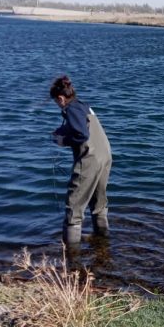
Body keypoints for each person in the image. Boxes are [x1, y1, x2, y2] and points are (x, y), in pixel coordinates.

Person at [50, 75, 112, 245]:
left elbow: (81, 134)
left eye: (56, 102)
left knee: (73, 207)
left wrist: (62, 140)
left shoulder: (70, 109)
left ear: (61, 99)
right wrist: (62, 130)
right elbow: (83, 125)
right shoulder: (83, 105)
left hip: (89, 159)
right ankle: (103, 244)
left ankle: (71, 258)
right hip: (105, 155)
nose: (57, 105)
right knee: (98, 202)